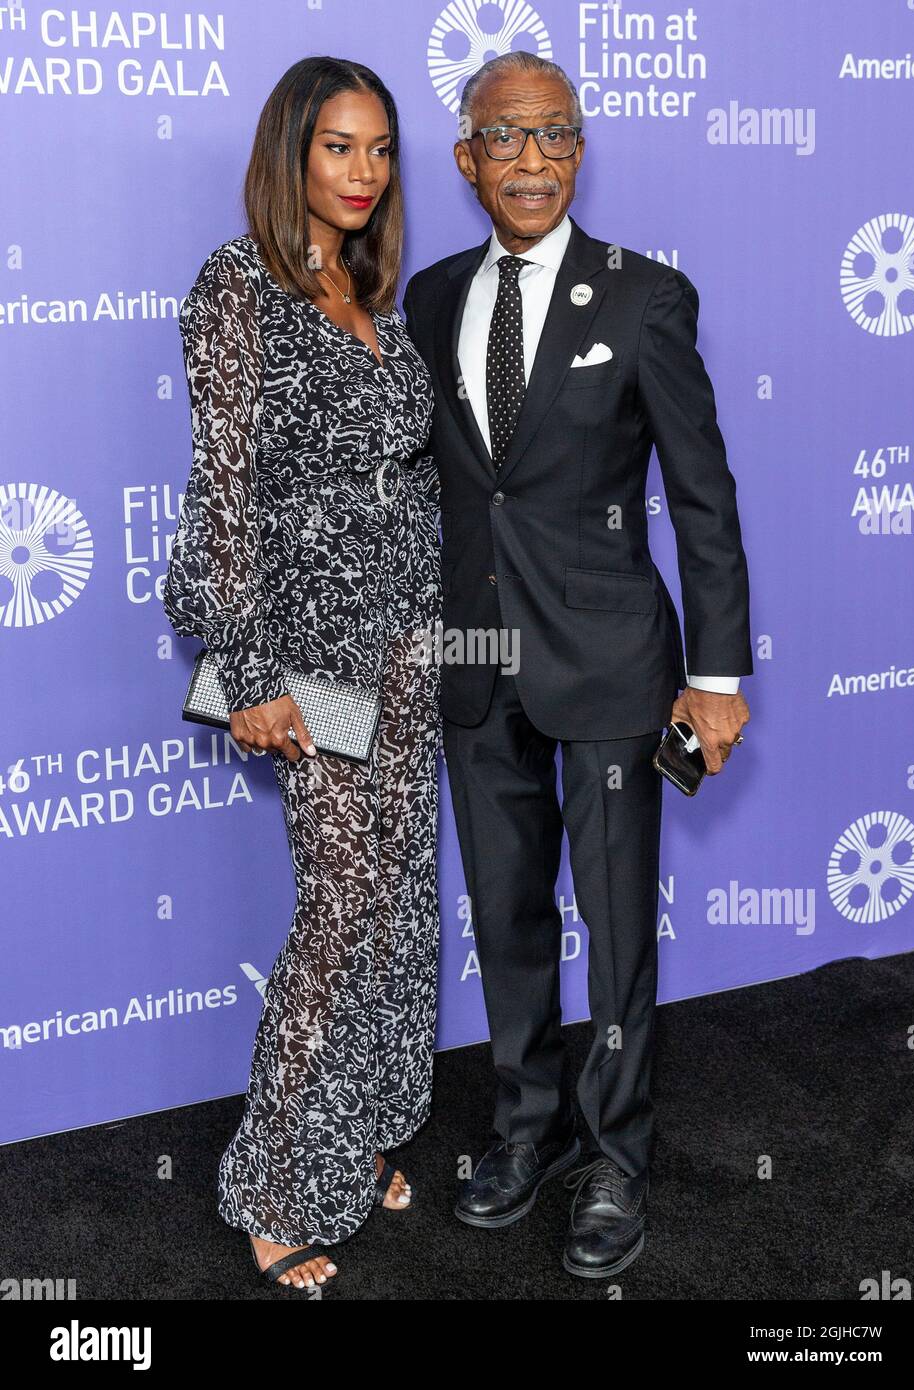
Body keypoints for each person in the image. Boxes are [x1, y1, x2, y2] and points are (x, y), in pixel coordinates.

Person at [402, 51, 752, 1278]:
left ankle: (613, 1154)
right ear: (466, 159)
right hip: (474, 652)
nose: (533, 162)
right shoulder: (431, 297)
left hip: (609, 657)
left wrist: (715, 672)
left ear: (580, 150)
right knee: (503, 918)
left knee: (610, 929)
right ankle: (527, 1127)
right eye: (505, 139)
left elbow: (701, 501)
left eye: (554, 136)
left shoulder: (645, 297)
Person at [163, 56, 441, 1291]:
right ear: (290, 152)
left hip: (410, 638)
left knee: (398, 905)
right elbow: (220, 494)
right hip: (308, 655)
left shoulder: (372, 289)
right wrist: (248, 669)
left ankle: (358, 1129)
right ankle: (278, 1184)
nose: (363, 172)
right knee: (340, 909)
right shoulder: (238, 286)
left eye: (379, 150)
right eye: (338, 147)